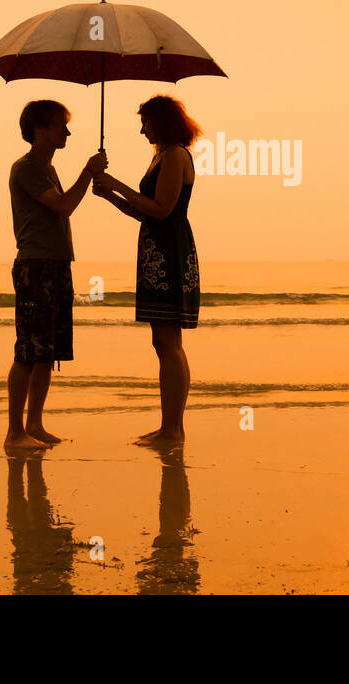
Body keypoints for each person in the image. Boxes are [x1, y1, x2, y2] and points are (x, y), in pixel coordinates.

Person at [92, 95, 201, 447]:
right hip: (157, 252)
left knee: (167, 343)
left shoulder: (174, 156)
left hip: (168, 254)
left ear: (161, 122)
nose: (141, 129)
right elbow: (144, 213)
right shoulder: (160, 156)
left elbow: (161, 209)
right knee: (165, 342)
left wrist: (117, 184)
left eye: (145, 122)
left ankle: (173, 430)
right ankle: (171, 427)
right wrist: (109, 195)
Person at [4, 100, 107, 453]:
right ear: (40, 128)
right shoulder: (27, 168)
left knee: (48, 352)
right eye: (61, 125)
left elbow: (63, 206)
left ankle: (35, 424)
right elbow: (63, 207)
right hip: (36, 266)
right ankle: (14, 431)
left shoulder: (48, 169)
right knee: (28, 351)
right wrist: (88, 173)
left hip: (58, 264)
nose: (67, 131)